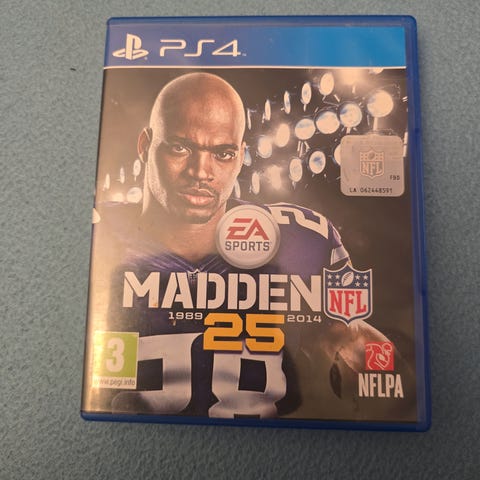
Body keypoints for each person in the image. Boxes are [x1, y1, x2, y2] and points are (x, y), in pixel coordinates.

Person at [100, 72, 392, 419]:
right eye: (180, 147)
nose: (200, 171)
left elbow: (374, 362)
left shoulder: (299, 239)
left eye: (222, 153)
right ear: (145, 145)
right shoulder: (101, 235)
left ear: (240, 156)